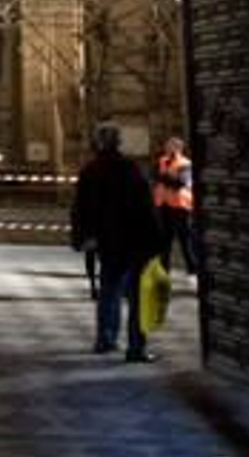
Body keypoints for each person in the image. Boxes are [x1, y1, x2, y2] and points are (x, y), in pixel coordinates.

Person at [72, 123, 164, 362]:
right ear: (118, 142)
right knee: (136, 296)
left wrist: (83, 237)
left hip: (107, 241)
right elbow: (146, 206)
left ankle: (105, 339)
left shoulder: (90, 171)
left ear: (97, 143)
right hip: (134, 240)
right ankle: (136, 348)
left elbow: (80, 209)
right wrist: (156, 239)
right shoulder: (131, 169)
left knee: (108, 291)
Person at [152, 136, 199, 276]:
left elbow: (181, 183)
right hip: (164, 205)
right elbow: (156, 176)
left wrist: (164, 178)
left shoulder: (185, 163)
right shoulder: (163, 161)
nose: (166, 148)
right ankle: (164, 268)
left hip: (181, 205)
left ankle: (192, 267)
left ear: (178, 148)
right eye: (166, 146)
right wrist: (165, 178)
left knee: (184, 238)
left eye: (170, 146)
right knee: (165, 239)